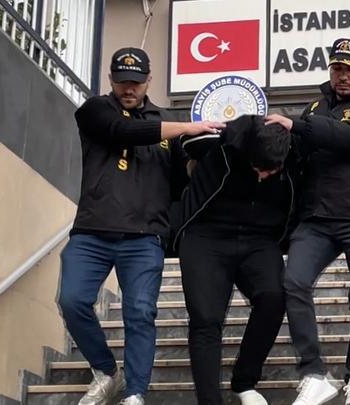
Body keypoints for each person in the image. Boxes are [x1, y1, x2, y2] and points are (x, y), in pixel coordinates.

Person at [57, 47, 223, 405]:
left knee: (140, 313)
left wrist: (199, 158)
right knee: (71, 300)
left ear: (149, 80)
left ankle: (135, 393)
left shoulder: (166, 122)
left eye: (135, 81)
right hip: (92, 231)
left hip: (145, 235)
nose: (128, 88)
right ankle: (106, 371)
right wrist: (187, 127)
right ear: (110, 79)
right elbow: (122, 131)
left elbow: (180, 182)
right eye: (121, 81)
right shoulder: (95, 110)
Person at [266, 38, 350, 405]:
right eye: (336, 68)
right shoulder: (314, 108)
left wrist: (298, 125)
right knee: (293, 282)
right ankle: (313, 374)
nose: (342, 76)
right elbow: (294, 154)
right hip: (317, 219)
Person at [172, 114, 297, 405]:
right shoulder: (218, 141)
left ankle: (244, 382)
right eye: (257, 167)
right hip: (207, 235)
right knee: (206, 319)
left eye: (270, 170)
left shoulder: (296, 151)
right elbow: (181, 145)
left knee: (274, 297)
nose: (262, 176)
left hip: (259, 238)